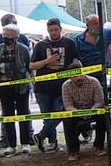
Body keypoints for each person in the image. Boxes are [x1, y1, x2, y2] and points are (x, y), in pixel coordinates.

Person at [29, 18, 78, 152]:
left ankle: (40, 136)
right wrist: (47, 60)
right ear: (48, 31)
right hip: (42, 87)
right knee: (47, 116)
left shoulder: (69, 43)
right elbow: (32, 65)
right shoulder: (40, 45)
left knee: (60, 114)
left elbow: (77, 61)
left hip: (63, 87)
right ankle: (52, 142)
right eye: (51, 30)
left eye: (56, 29)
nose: (54, 32)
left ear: (60, 29)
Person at [0, 24, 33, 155]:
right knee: (7, 115)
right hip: (3, 86)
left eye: (9, 35)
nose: (6, 37)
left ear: (16, 36)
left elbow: (29, 66)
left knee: (23, 113)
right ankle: (11, 145)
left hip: (21, 86)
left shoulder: (24, 49)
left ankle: (25, 143)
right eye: (4, 35)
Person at [61, 60, 107, 160]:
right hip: (76, 112)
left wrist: (91, 111)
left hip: (93, 109)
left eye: (80, 74)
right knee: (67, 119)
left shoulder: (94, 81)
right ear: (69, 76)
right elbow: (68, 106)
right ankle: (74, 151)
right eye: (75, 76)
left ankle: (99, 146)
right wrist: (79, 113)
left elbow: (100, 101)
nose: (78, 78)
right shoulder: (65, 86)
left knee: (103, 116)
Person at [73, 14, 111, 85]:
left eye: (100, 23)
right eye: (95, 23)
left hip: (104, 74)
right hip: (87, 76)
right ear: (88, 26)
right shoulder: (77, 40)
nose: (99, 25)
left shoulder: (105, 33)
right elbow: (75, 59)